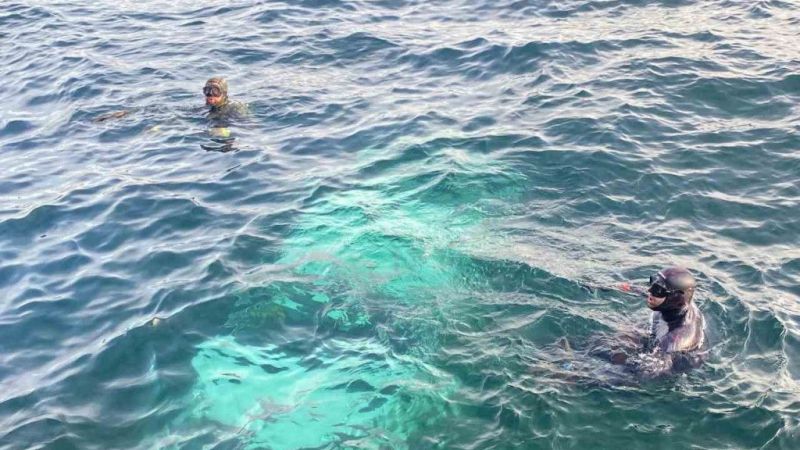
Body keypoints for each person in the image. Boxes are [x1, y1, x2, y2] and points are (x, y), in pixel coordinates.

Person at [626, 266, 706, 377]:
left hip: (674, 365)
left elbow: (648, 372)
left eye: (658, 290)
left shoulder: (676, 338)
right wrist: (628, 288)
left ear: (675, 298)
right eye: (653, 283)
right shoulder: (678, 304)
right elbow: (657, 293)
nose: (649, 291)